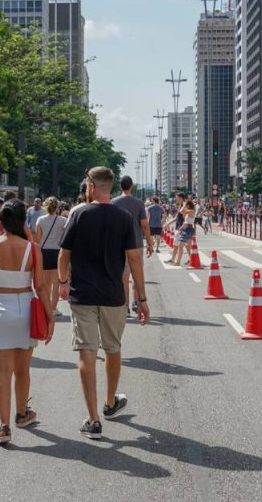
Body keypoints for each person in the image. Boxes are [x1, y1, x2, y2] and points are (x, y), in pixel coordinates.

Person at [57, 166, 148, 440]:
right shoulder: (123, 217)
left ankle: (93, 420)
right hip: (113, 295)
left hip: (82, 294)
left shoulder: (78, 214)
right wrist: (141, 299)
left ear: (92, 187)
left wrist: (62, 283)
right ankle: (110, 402)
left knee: (86, 352)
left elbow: (64, 254)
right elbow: (134, 260)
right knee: (113, 348)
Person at [0, 200, 54, 445]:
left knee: (2, 372)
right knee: (23, 369)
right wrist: (50, 315)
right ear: (24, 221)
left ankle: (3, 428)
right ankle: (22, 414)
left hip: (0, 306)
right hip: (24, 307)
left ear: (1, 221)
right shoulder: (31, 248)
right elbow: (41, 285)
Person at [111, 176, 152, 316]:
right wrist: (150, 243)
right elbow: (144, 225)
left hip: (118, 244)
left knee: (124, 276)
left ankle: (125, 306)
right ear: (131, 187)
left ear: (120, 187)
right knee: (137, 274)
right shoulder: (139, 203)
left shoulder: (113, 202)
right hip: (136, 243)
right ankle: (136, 301)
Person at [34, 197, 66, 317]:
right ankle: (53, 308)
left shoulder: (40, 219)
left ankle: (45, 307)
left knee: (46, 283)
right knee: (56, 283)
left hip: (44, 252)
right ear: (57, 207)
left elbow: (37, 239)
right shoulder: (63, 220)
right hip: (57, 252)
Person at [170, 200, 197, 266]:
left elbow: (181, 211)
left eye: (186, 205)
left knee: (180, 245)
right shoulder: (189, 212)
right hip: (187, 228)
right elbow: (186, 221)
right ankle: (192, 261)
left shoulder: (191, 211)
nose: (184, 206)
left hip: (188, 229)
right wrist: (181, 228)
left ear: (188, 205)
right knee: (188, 247)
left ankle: (178, 262)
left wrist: (184, 205)